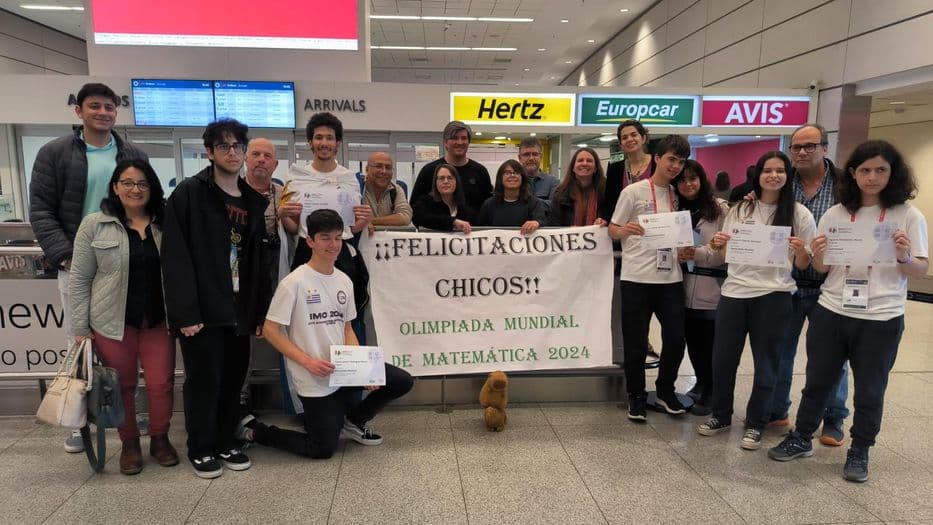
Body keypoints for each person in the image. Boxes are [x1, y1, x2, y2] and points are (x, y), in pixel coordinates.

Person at [768, 140, 927, 482]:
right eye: (865, 170)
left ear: (892, 173)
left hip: (881, 317)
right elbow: (823, 268)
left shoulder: (908, 215)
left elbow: (920, 270)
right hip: (832, 309)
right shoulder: (836, 213)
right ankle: (801, 436)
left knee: (871, 388)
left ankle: (860, 449)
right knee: (817, 380)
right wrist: (819, 252)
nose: (872, 177)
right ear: (853, 174)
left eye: (880, 170)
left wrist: (904, 255)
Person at [28, 82, 149, 454]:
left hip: (124, 264)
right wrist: (65, 255)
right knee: (79, 341)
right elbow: (41, 211)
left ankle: (128, 413)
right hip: (78, 263)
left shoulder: (131, 153)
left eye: (109, 107)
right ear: (79, 111)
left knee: (129, 341)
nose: (103, 112)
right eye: (94, 106)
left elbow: (145, 203)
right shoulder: (55, 153)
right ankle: (76, 421)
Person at [236, 209, 415, 458]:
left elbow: (347, 328)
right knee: (322, 449)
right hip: (315, 375)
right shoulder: (294, 283)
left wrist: (361, 367)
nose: (333, 245)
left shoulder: (343, 280)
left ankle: (353, 421)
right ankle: (256, 432)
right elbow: (270, 330)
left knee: (402, 380)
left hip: (342, 369)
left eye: (337, 238)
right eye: (325, 238)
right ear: (310, 241)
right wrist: (307, 361)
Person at [161, 118, 270, 478]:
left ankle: (226, 440)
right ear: (209, 152)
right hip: (203, 311)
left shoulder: (254, 200)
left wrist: (258, 312)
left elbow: (257, 262)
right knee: (204, 381)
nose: (233, 152)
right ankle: (202, 447)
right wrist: (184, 313)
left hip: (239, 309)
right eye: (224, 146)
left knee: (232, 381)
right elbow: (175, 256)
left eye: (238, 145)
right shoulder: (190, 194)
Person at [697, 151, 816, 451]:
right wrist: (716, 244)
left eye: (780, 170)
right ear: (758, 175)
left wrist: (800, 249)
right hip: (734, 294)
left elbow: (803, 264)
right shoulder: (740, 209)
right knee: (723, 361)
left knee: (767, 365)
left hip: (774, 296)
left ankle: (756, 423)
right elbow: (725, 256)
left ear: (788, 176)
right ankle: (721, 415)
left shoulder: (799, 214)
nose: (773, 176)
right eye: (767, 170)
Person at [69, 159, 177, 475]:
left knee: (161, 384)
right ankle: (129, 443)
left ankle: (160, 437)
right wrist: (79, 326)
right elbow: (79, 277)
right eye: (127, 183)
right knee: (122, 386)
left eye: (142, 183)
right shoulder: (94, 224)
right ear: (115, 187)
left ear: (152, 188)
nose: (135, 189)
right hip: (112, 323)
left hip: (158, 320)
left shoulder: (165, 223)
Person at [768, 124, 850, 446]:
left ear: (825, 148)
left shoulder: (846, 184)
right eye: (797, 147)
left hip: (831, 286)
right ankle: (777, 409)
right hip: (788, 282)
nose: (802, 152)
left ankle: (833, 418)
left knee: (830, 358)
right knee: (780, 351)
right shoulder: (783, 182)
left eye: (810, 146)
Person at [608, 135, 691, 420]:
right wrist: (625, 230)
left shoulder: (680, 194)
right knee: (636, 343)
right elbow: (612, 229)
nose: (676, 166)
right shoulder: (634, 192)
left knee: (676, 340)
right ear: (657, 157)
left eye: (680, 162)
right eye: (671, 159)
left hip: (671, 280)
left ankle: (666, 391)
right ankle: (636, 396)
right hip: (637, 278)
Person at [241, 138, 303, 412]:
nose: (261, 160)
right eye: (256, 154)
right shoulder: (232, 192)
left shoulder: (284, 193)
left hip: (277, 272)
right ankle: (239, 398)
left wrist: (288, 218)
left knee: (285, 331)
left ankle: (299, 398)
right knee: (242, 336)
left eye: (267, 156)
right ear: (245, 158)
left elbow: (294, 231)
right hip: (242, 277)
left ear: (276, 164)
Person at [673, 160, 728, 416]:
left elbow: (726, 249)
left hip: (711, 285)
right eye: (683, 180)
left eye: (693, 178)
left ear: (702, 180)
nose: (688, 184)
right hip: (683, 285)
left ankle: (714, 391)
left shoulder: (719, 210)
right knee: (693, 341)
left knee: (711, 343)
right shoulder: (674, 209)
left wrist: (699, 253)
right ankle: (702, 383)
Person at [287, 112, 373, 269]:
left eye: (329, 138)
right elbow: (294, 227)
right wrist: (283, 215)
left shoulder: (349, 178)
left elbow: (349, 227)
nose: (324, 143)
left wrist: (366, 219)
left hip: (340, 252)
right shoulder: (297, 178)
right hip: (307, 251)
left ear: (337, 143)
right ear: (310, 142)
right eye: (318, 137)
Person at [410, 120, 492, 212]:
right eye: (454, 138)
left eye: (464, 138)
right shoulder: (429, 171)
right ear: (445, 142)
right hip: (437, 226)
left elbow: (488, 208)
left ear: (469, 142)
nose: (460, 142)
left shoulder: (480, 171)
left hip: (473, 226)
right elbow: (415, 208)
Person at [476, 159, 547, 235]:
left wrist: (536, 223)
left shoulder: (534, 203)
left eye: (516, 173)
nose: (512, 175)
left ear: (522, 178)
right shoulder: (489, 204)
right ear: (500, 178)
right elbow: (481, 231)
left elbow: (542, 221)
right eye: (507, 173)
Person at [601, 119, 652, 222]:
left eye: (634, 135)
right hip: (625, 230)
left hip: (655, 226)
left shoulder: (658, 163)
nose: (629, 139)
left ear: (643, 138)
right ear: (621, 145)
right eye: (624, 137)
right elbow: (610, 203)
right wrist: (605, 220)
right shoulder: (615, 169)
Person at [548, 147, 609, 227]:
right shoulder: (560, 193)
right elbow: (553, 224)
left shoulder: (608, 191)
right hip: (569, 239)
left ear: (596, 168)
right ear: (573, 168)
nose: (584, 163)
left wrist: (605, 221)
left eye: (589, 161)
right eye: (580, 160)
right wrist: (567, 230)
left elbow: (614, 219)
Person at [412, 163, 476, 233]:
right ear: (435, 182)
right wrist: (453, 221)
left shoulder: (466, 209)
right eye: (441, 178)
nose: (446, 182)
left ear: (456, 182)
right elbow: (419, 218)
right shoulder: (425, 203)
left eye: (450, 178)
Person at [362, 151, 412, 228]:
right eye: (378, 166)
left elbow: (405, 217)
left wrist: (371, 221)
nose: (383, 171)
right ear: (367, 169)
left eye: (388, 168)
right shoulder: (358, 188)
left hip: (387, 239)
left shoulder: (396, 189)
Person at [518, 137, 559, 205]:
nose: (531, 158)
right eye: (526, 154)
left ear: (541, 157)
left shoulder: (553, 182)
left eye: (535, 154)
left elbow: (554, 207)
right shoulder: (513, 181)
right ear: (520, 158)